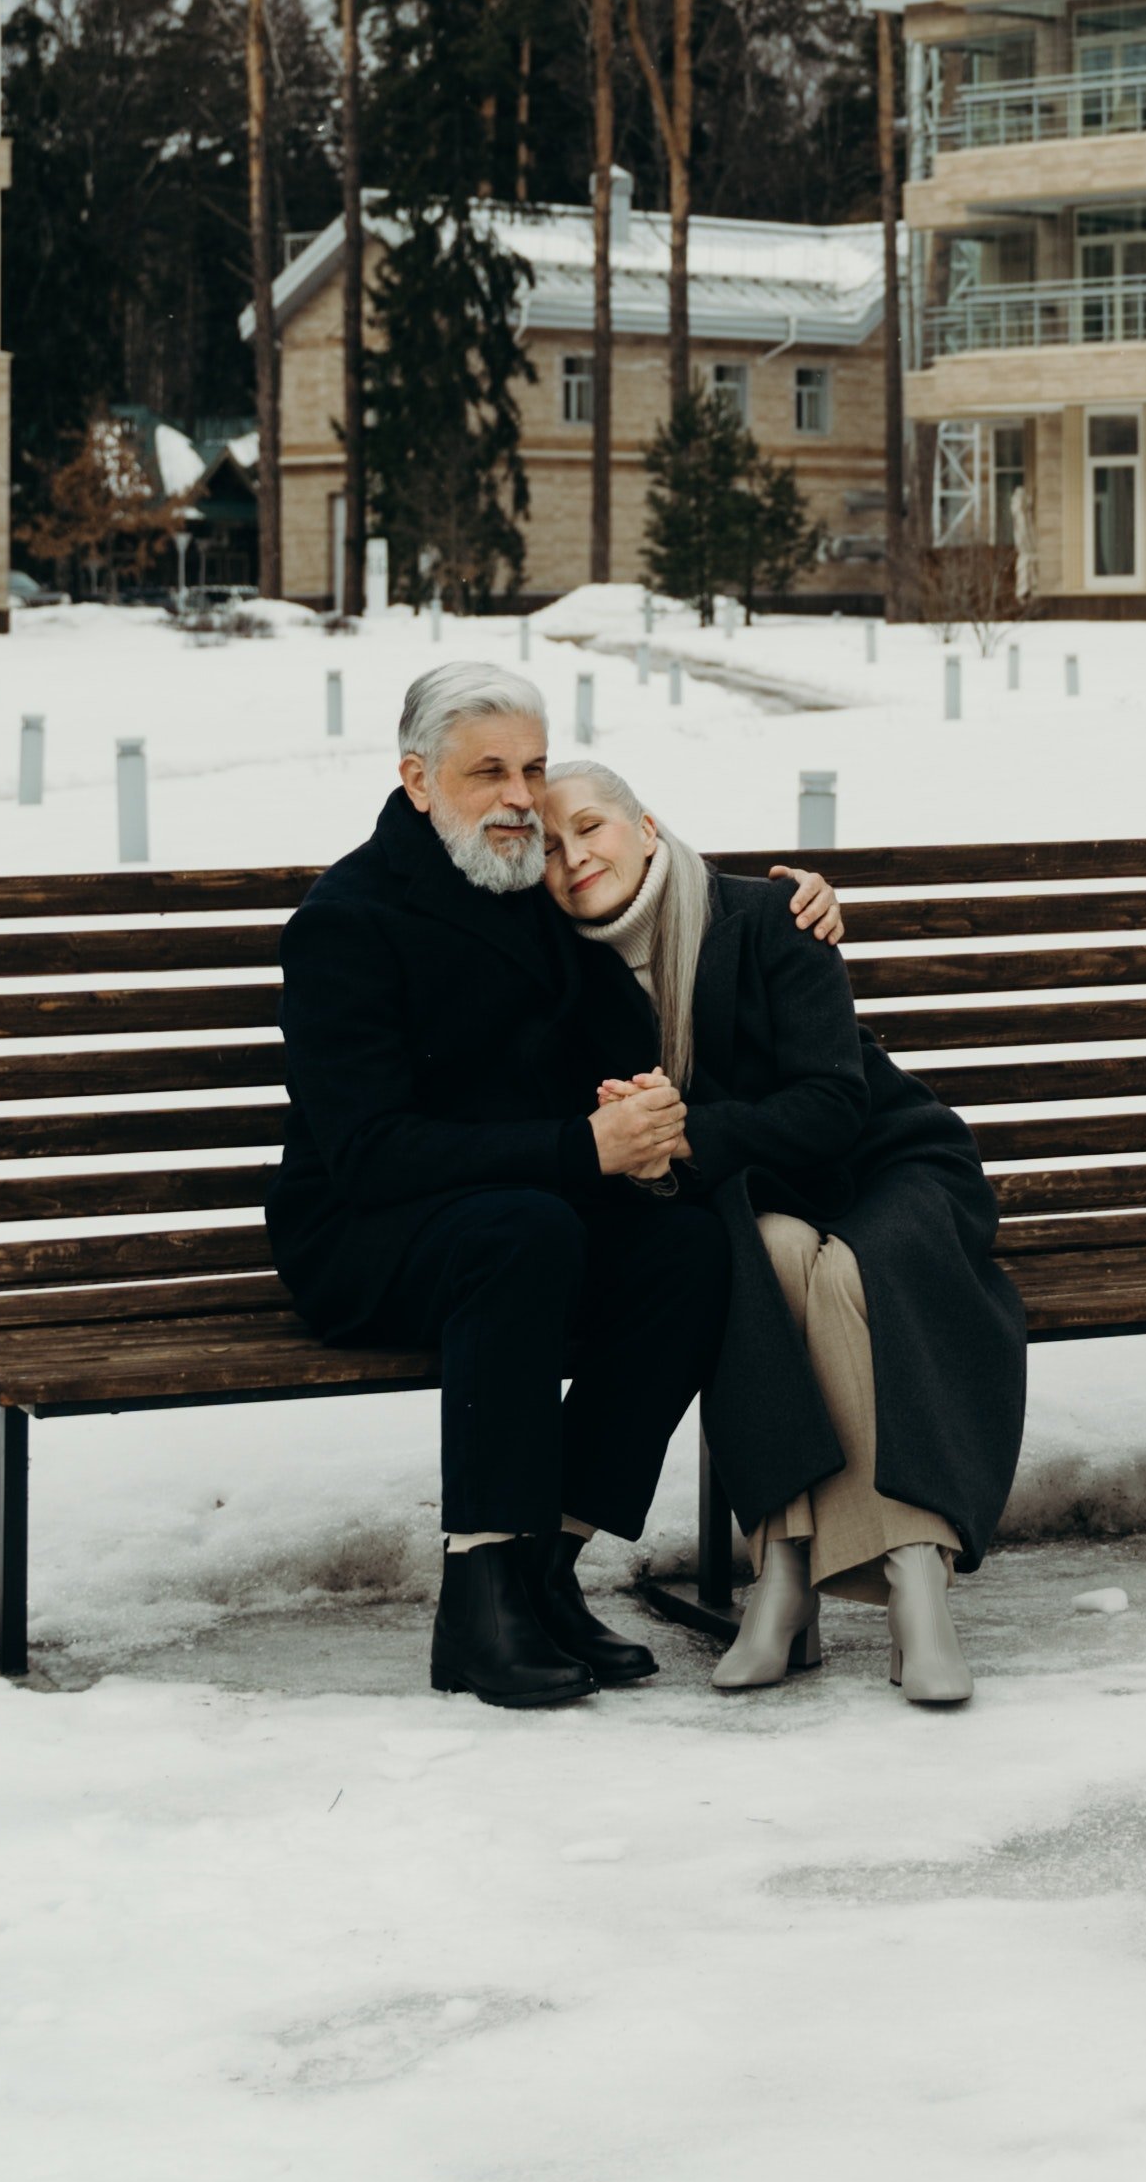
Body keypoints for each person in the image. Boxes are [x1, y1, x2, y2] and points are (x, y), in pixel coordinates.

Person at [273, 661, 736, 1710]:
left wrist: (640, 1107)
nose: (523, 796)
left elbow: (632, 976)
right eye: (489, 771)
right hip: (363, 1239)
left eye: (531, 766)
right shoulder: (349, 919)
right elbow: (370, 1153)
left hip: (524, 1223)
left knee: (686, 1249)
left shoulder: (521, 884)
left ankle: (545, 1571)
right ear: (418, 778)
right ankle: (477, 1596)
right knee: (522, 1229)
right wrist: (583, 1146)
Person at [542, 759, 1027, 1709]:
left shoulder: (766, 917)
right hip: (753, 1198)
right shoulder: (564, 975)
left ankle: (911, 1579)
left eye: (591, 826)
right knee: (766, 1258)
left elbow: (835, 1105)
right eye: (552, 848)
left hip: (885, 1166)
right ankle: (788, 1574)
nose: (574, 856)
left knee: (847, 1271)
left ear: (646, 825)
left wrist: (679, 1136)